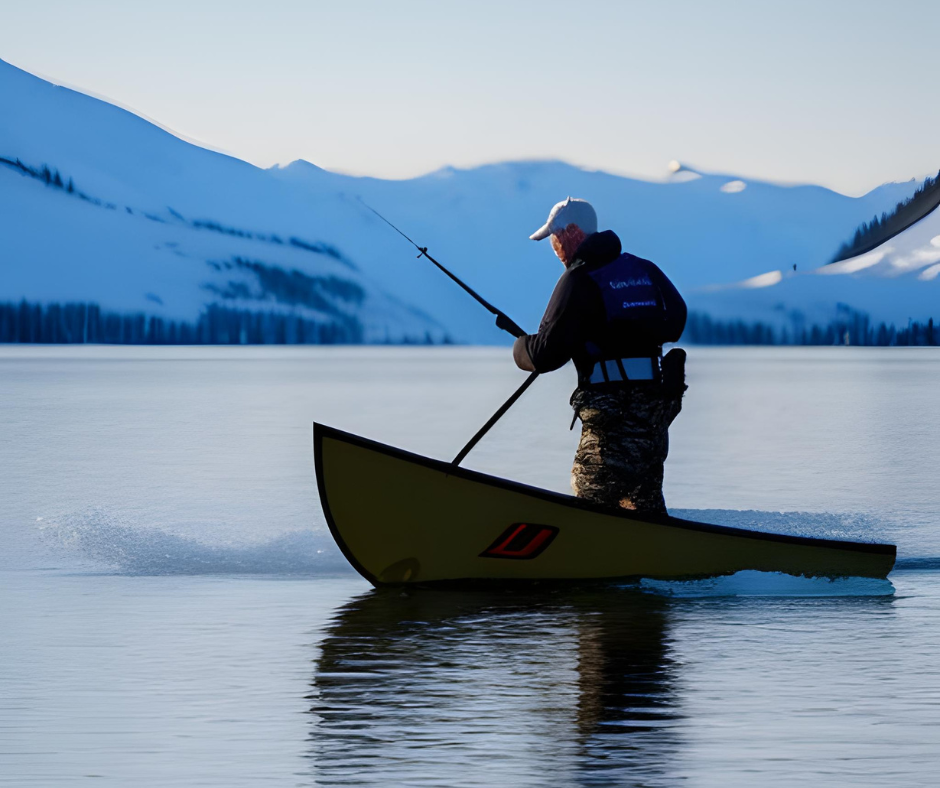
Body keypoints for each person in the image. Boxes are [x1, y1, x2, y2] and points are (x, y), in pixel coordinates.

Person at [512, 197, 687, 514]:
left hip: (611, 428)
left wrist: (520, 347)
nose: (554, 247)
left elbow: (546, 354)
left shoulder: (578, 280)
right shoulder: (645, 271)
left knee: (592, 512)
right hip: (652, 423)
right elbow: (676, 320)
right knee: (645, 514)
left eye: (554, 237)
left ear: (572, 232)